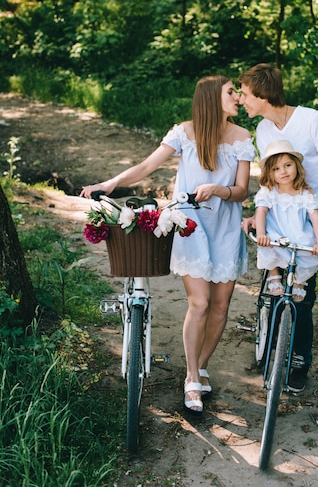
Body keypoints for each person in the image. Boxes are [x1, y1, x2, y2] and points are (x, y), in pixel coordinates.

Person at [81, 75, 255, 416]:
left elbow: (241, 191)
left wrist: (218, 190)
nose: (238, 96)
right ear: (210, 98)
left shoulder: (242, 138)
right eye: (231, 91)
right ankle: (191, 377)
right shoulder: (183, 133)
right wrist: (111, 183)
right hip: (190, 226)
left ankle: (201, 366)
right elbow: (147, 166)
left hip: (225, 228)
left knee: (221, 307)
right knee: (201, 303)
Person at [239, 63, 318, 428]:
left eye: (244, 94)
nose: (241, 100)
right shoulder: (261, 129)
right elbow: (270, 183)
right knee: (299, 296)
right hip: (294, 220)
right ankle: (300, 360)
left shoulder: (310, 120)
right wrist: (256, 218)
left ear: (261, 94)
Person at [255, 139, 318, 302]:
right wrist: (260, 234)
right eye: (276, 168)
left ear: (296, 166)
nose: (283, 171)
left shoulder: (305, 194)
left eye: (288, 165)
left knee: (308, 252)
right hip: (277, 234)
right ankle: (274, 276)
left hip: (299, 235)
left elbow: (315, 218)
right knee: (268, 244)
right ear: (270, 173)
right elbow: (261, 211)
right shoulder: (269, 192)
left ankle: (299, 281)